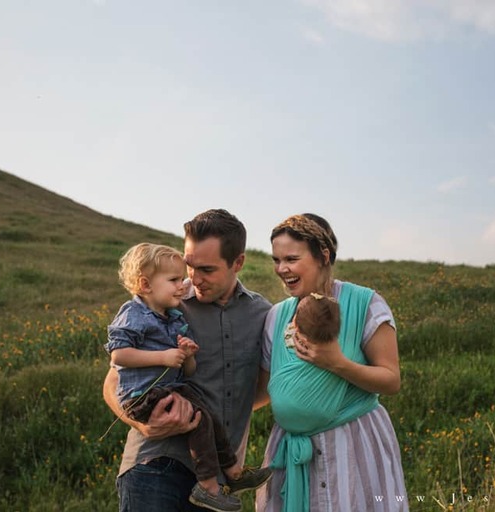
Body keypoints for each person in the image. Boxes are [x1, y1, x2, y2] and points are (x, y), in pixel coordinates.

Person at [103, 209, 272, 512]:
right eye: (190, 266)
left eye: (206, 269)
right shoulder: (165, 303)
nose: (193, 279)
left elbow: (264, 390)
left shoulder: (263, 314)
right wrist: (143, 425)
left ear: (238, 263)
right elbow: (113, 381)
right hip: (155, 466)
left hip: (218, 484)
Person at [255, 213, 408, 511]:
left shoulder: (366, 304)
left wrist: (337, 362)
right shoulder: (276, 316)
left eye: (291, 258)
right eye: (276, 260)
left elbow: (391, 380)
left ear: (322, 255)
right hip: (293, 454)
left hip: (353, 448)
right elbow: (265, 390)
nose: (281, 269)